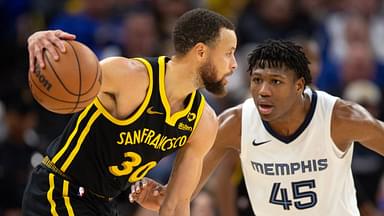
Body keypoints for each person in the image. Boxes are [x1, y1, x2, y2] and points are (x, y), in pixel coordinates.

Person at [22, 8, 237, 216]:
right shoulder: (128, 77)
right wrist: (42, 43)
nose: (234, 64)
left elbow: (175, 206)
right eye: (228, 53)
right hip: (59, 190)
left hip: (104, 203)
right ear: (201, 52)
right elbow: (68, 73)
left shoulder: (203, 122)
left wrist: (162, 197)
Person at [129, 39, 384, 215]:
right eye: (257, 80)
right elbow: (184, 193)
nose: (263, 91)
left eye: (275, 81)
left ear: (299, 86)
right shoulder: (236, 123)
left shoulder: (339, 118)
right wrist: (161, 197)